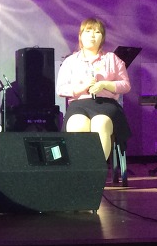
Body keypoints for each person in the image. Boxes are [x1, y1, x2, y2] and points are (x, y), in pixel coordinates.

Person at [56, 17, 131, 160]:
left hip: (106, 105)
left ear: (102, 38)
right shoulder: (70, 61)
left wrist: (104, 84)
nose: (92, 35)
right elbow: (61, 89)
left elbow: (125, 85)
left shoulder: (111, 58)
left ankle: (98, 168)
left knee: (100, 123)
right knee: (77, 124)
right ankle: (81, 168)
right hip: (79, 104)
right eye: (88, 31)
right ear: (80, 35)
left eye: (97, 32)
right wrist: (82, 87)